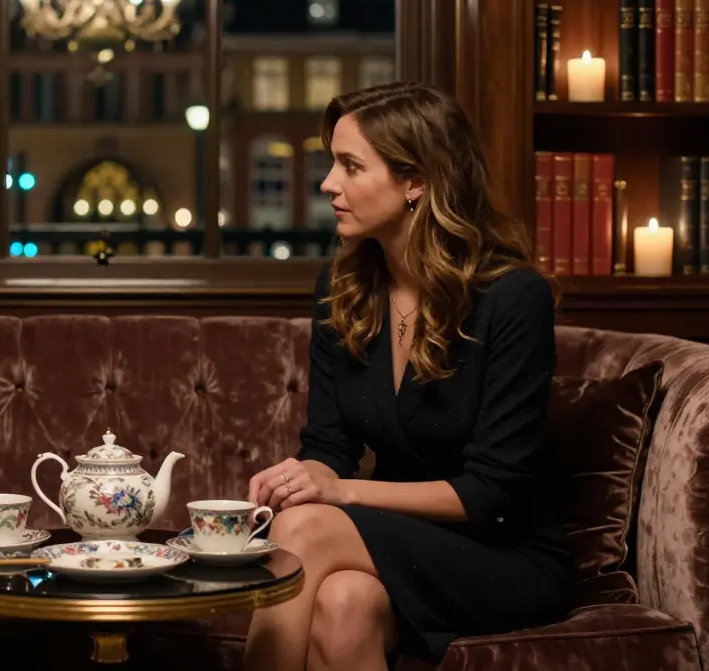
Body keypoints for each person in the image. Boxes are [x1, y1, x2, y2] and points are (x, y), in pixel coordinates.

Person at [243, 81, 573, 671]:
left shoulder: (512, 297)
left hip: (503, 552)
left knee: (306, 531)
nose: (328, 185)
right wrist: (301, 477)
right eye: (331, 164)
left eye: (350, 166)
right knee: (343, 603)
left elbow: (492, 492)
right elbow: (328, 448)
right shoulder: (343, 290)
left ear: (416, 181)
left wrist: (335, 494)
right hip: (395, 541)